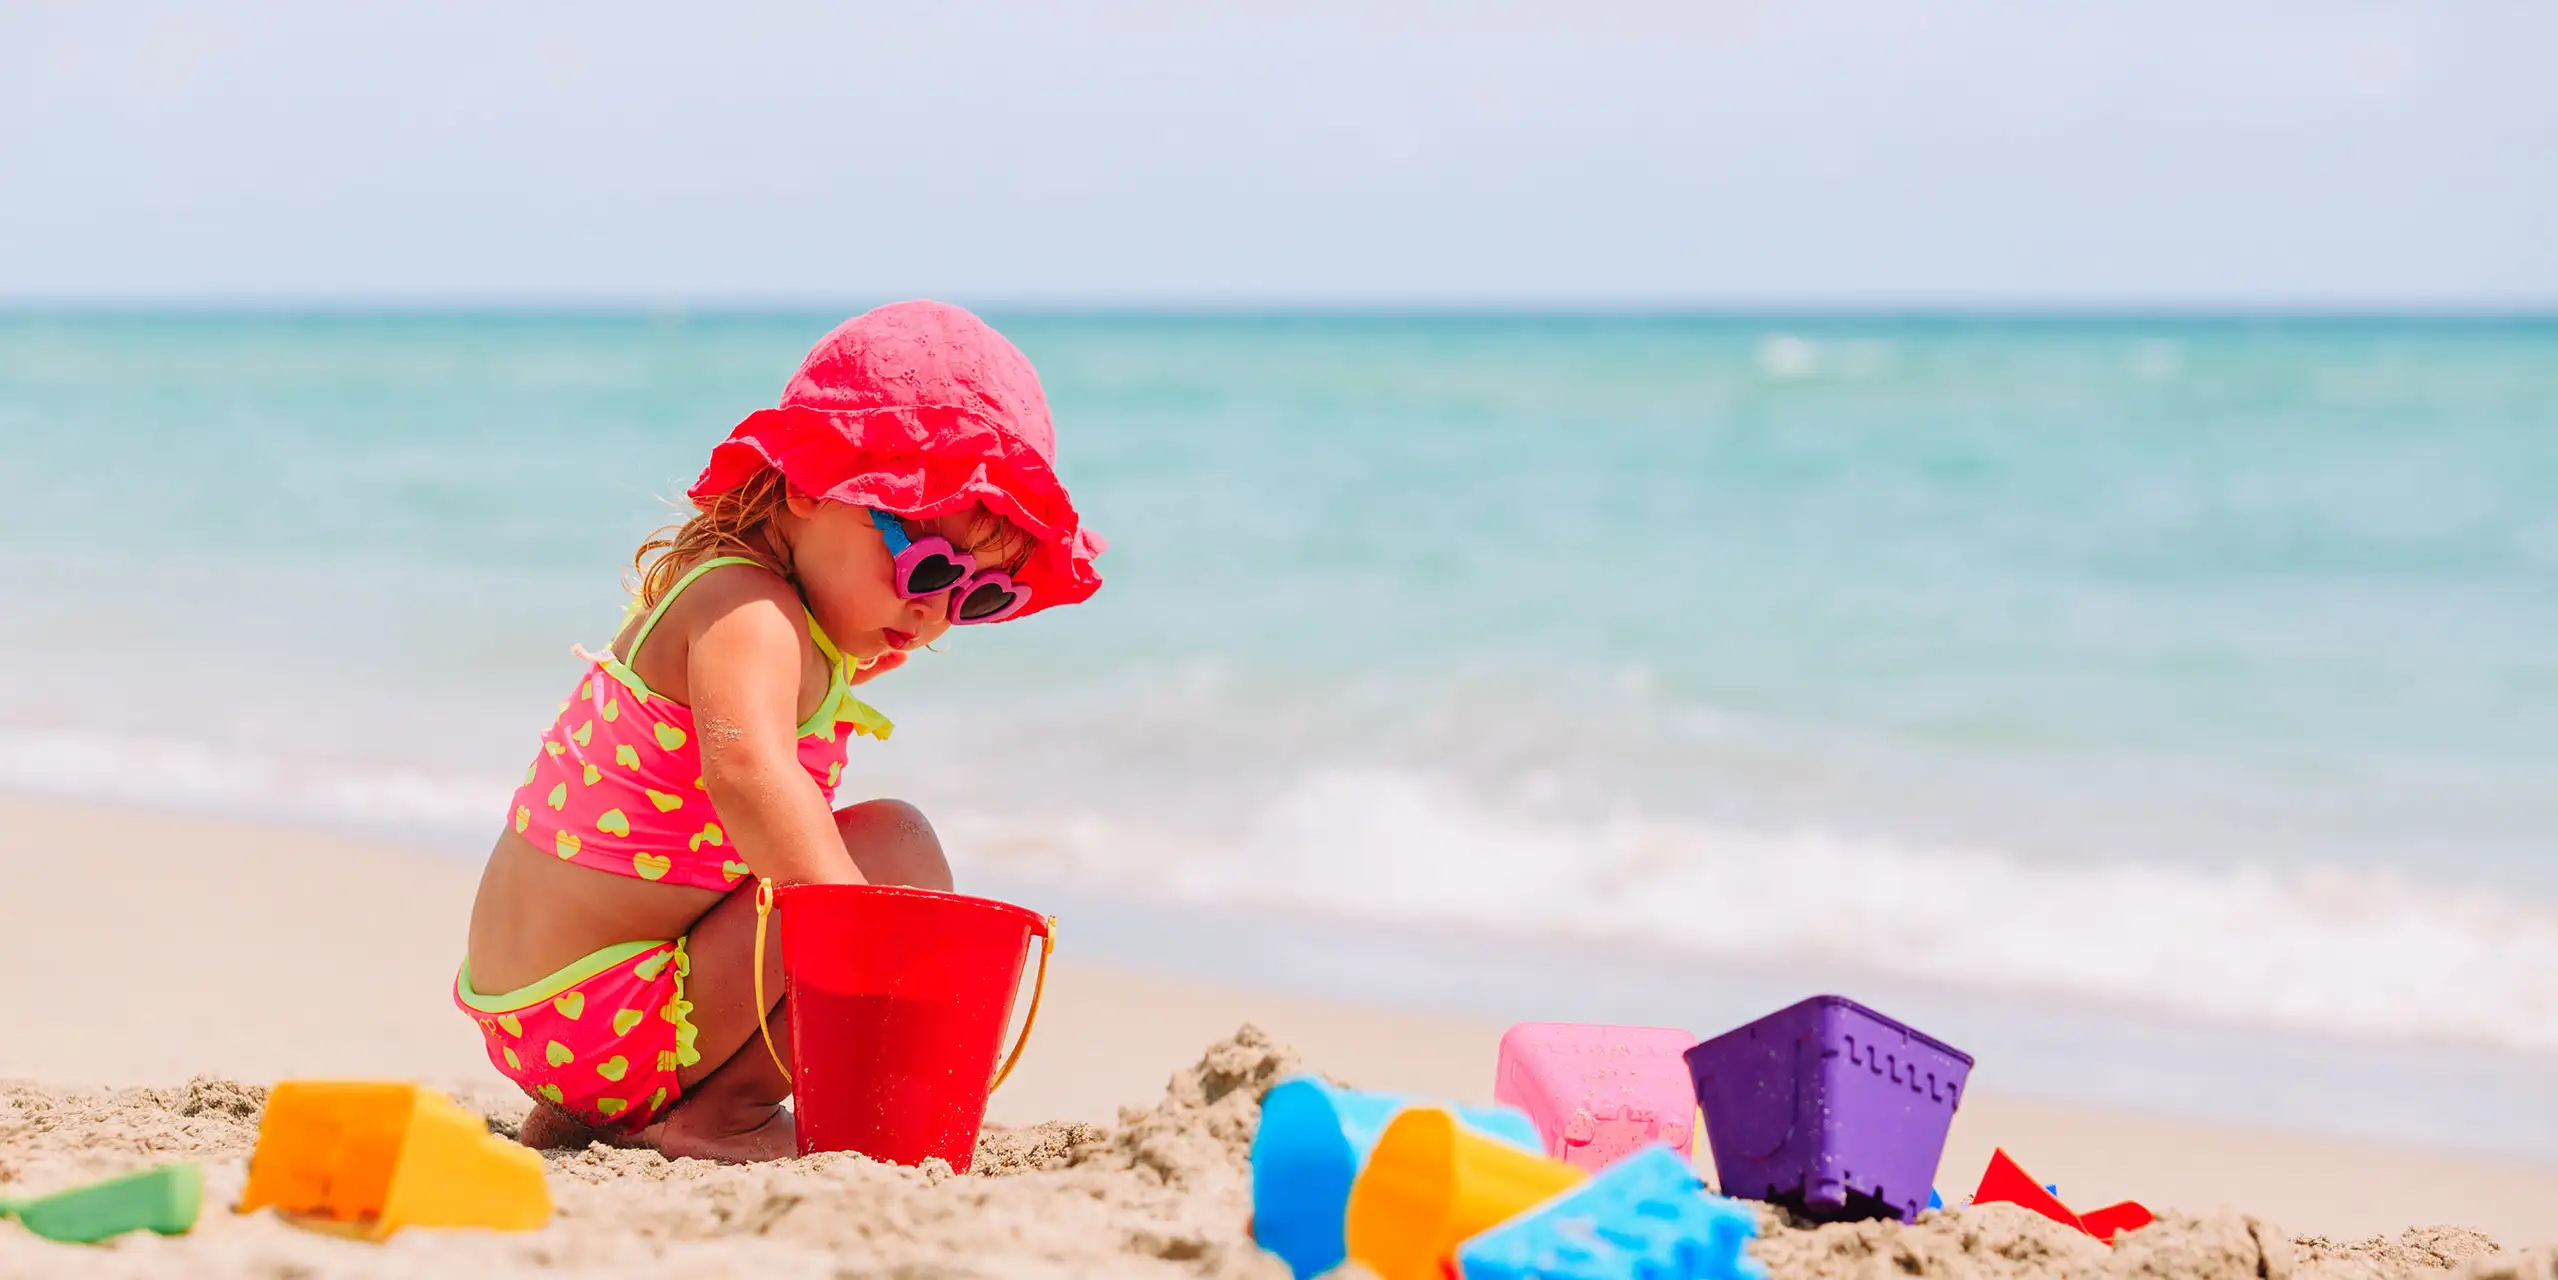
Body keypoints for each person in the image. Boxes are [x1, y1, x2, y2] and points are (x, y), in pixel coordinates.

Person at [455, 301, 1103, 1160]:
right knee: (894, 849)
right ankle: (724, 1113)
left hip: (564, 1013)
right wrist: (864, 951)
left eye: (975, 595)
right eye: (924, 563)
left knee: (861, 852)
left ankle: (606, 1114)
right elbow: (748, 769)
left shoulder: (745, 602)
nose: (935, 609)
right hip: (604, 1016)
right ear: (809, 485)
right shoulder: (752, 612)